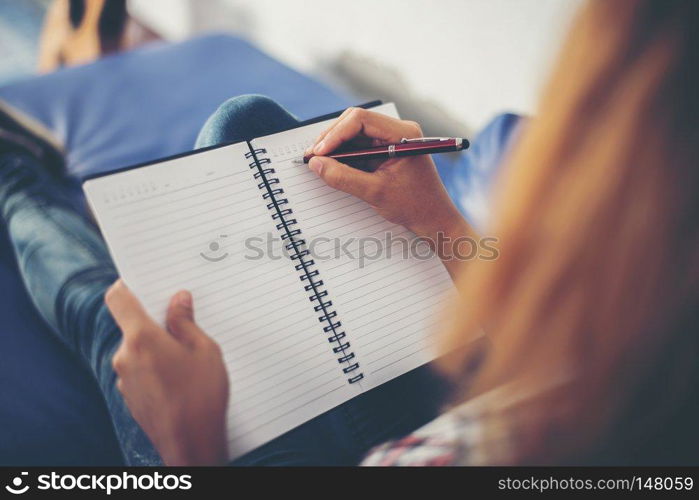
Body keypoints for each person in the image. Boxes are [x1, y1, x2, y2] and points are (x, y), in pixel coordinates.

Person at [1, 0, 697, 465]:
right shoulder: (661, 327)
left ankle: (15, 183)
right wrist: (440, 224)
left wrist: (191, 443)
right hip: (480, 405)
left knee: (112, 320)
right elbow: (558, 367)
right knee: (246, 126)